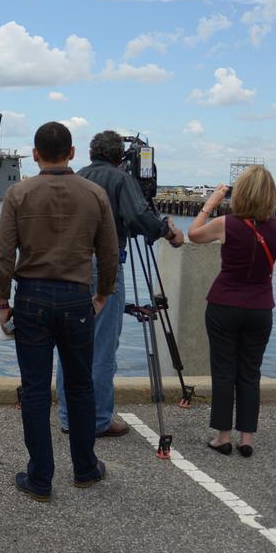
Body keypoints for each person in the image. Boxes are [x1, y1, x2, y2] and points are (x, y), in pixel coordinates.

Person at [0, 122, 118, 501]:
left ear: (34, 154)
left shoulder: (19, 193)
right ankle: (84, 467)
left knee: (34, 390)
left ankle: (40, 477)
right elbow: (109, 253)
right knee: (79, 385)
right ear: (73, 152)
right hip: (77, 298)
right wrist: (103, 294)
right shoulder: (95, 194)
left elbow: (3, 254)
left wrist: (3, 300)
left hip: (30, 297)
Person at [55, 129, 183, 438]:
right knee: (102, 346)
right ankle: (98, 419)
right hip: (105, 265)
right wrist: (168, 231)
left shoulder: (77, 177)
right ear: (119, 158)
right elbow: (140, 217)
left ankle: (67, 417)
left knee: (71, 345)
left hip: (70, 266)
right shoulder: (121, 180)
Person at [187, 165, 276, 458]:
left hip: (225, 303)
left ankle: (223, 436)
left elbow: (193, 235)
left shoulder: (227, 223)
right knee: (250, 372)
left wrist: (210, 204)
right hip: (260, 306)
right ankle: (247, 438)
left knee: (224, 370)